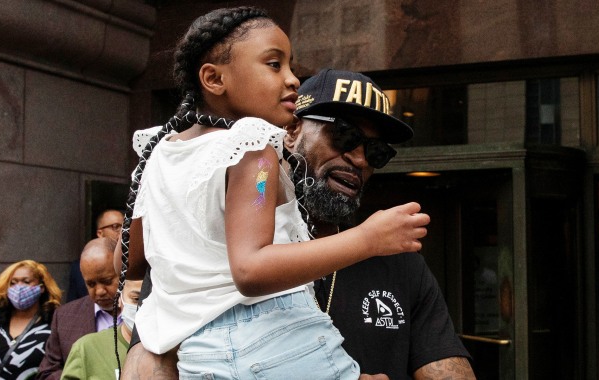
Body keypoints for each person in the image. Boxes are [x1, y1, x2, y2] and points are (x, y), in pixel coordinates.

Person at [114, 6, 428, 379]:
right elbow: (251, 268)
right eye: (274, 65)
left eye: (291, 67)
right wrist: (368, 239)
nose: (294, 80)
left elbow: (127, 260)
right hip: (277, 341)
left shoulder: (160, 152)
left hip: (200, 358)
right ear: (214, 79)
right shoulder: (254, 150)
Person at [293, 69, 476, 379]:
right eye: (345, 135)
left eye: (376, 152)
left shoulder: (401, 265)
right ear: (291, 131)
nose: (361, 160)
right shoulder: (241, 250)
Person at [0, 260, 62, 380]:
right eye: (13, 283)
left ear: (41, 287)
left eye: (26, 282)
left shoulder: (54, 324)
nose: (19, 287)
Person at [37, 237, 121, 380]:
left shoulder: (146, 311)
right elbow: (47, 373)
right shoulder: (65, 317)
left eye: (106, 281)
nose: (100, 291)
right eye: (91, 284)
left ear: (123, 271)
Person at [61, 279, 143, 380]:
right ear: (120, 299)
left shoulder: (167, 349)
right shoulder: (87, 348)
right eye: (137, 299)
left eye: (155, 300)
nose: (146, 306)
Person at [67, 209, 124, 302]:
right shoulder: (78, 268)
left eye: (125, 226)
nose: (122, 232)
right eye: (115, 227)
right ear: (100, 233)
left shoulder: (139, 264)